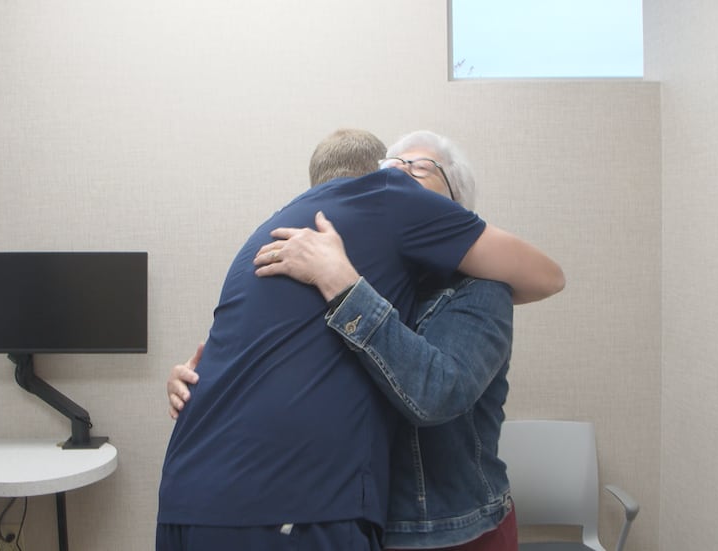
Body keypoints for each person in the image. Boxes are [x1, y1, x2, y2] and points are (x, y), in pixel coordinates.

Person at [158, 129, 563, 551]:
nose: (399, 175)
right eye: (392, 165)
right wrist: (200, 379)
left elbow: (437, 393)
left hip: (455, 529)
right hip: (370, 522)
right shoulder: (359, 271)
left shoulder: (479, 289)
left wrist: (345, 284)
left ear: (455, 207)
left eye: (420, 168)